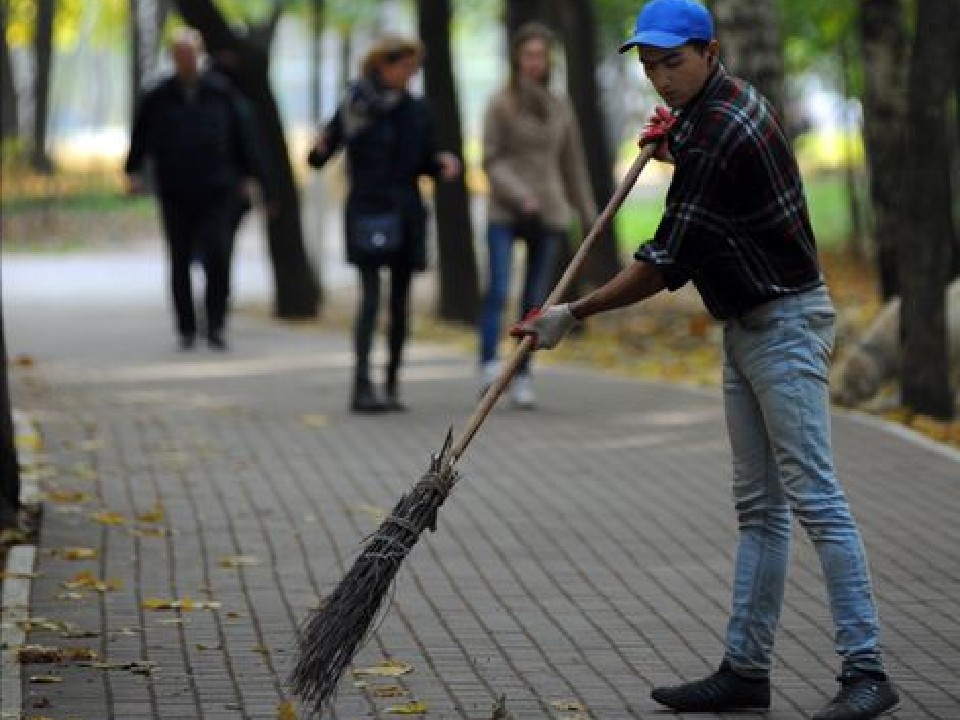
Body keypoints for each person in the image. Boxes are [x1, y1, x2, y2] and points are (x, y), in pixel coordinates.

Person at [510, 2, 900, 718]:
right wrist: (673, 146)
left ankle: (867, 672)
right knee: (760, 512)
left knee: (816, 502)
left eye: (672, 62)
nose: (660, 78)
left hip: (784, 324)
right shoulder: (709, 110)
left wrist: (573, 313)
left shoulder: (719, 127)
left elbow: (666, 262)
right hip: (748, 322)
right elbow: (699, 173)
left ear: (709, 50)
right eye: (649, 66)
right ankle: (746, 672)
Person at [308, 35, 460, 413]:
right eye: (404, 66)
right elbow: (322, 154)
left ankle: (391, 383)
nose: (409, 74)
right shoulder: (354, 105)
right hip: (367, 211)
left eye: (413, 67)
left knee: (400, 303)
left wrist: (441, 163)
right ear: (382, 64)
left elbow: (425, 159)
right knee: (371, 298)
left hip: (406, 213)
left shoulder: (418, 109)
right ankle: (362, 384)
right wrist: (320, 148)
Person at [479, 21, 597, 409]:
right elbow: (491, 159)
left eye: (540, 55)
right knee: (497, 288)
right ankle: (488, 364)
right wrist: (518, 193)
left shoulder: (560, 105)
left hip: (548, 211)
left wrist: (589, 214)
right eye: (528, 55)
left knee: (535, 300)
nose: (534, 62)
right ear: (517, 58)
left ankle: (522, 374)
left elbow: (573, 162)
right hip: (506, 209)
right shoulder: (501, 103)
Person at [125, 29, 260, 351]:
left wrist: (250, 176)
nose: (184, 60)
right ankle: (186, 327)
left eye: (190, 53)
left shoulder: (221, 93)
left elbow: (243, 138)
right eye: (178, 54)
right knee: (179, 257)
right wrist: (133, 171)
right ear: (173, 58)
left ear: (199, 54)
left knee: (218, 254)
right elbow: (141, 137)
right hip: (175, 188)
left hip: (216, 187)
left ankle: (215, 323)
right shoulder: (158, 96)